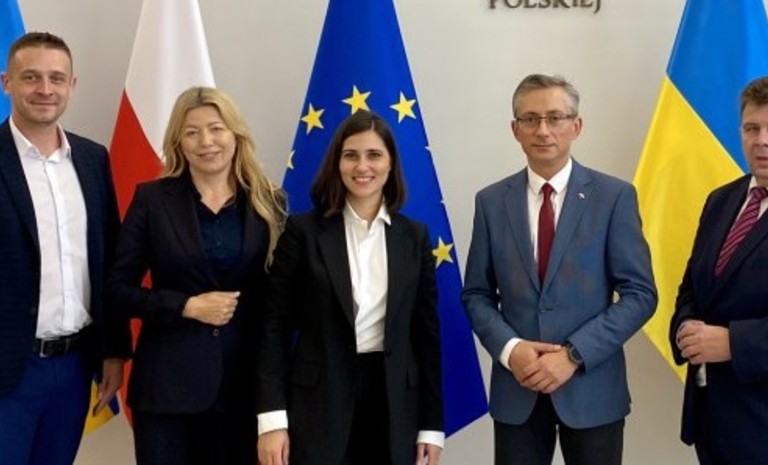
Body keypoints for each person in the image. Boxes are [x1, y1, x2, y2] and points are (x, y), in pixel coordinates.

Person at [462, 73, 657, 465]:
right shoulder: (491, 202)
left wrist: (573, 355)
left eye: (555, 117)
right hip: (517, 389)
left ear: (576, 126)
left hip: (592, 390)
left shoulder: (614, 197)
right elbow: (477, 295)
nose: (543, 130)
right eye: (530, 119)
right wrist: (511, 350)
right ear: (515, 129)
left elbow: (640, 295)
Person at [107, 86, 286, 465]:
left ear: (235, 135)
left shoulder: (269, 202)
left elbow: (277, 303)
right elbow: (117, 290)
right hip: (167, 393)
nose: (206, 141)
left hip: (242, 391)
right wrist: (185, 306)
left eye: (216, 129)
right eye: (192, 132)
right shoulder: (152, 200)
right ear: (179, 142)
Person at [256, 110, 443, 465]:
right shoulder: (302, 232)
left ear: (390, 163)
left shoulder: (414, 237)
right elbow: (274, 327)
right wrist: (271, 420)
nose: (362, 166)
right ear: (337, 162)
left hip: (393, 405)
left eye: (374, 155)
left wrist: (431, 426)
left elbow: (426, 336)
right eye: (351, 155)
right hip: (317, 405)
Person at [0, 32, 130, 465]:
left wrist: (112, 350)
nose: (45, 89)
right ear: (7, 83)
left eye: (57, 78)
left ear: (72, 85)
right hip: (8, 370)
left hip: (74, 367)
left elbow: (109, 261)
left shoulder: (93, 159)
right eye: (31, 77)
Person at [670, 76, 768, 464]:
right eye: (751, 128)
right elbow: (692, 287)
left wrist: (734, 343)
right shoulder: (721, 200)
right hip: (711, 416)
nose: (761, 141)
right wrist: (686, 328)